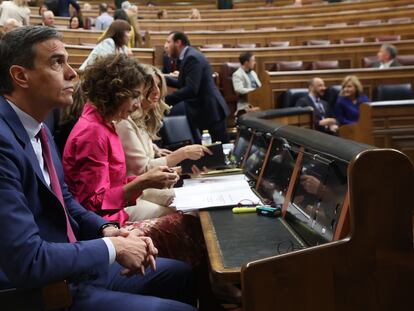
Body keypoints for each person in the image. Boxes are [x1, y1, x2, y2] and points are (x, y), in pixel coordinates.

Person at [0, 25, 196, 311]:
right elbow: (28, 260)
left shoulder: (40, 128)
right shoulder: (4, 142)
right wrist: (112, 248)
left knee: (180, 275)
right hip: (47, 289)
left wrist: (108, 231)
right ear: (20, 76)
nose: (72, 73)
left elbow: (66, 201)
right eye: (57, 62)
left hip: (72, 265)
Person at [64, 54, 181, 225]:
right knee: (179, 219)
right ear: (115, 93)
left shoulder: (105, 124)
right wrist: (143, 182)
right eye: (134, 96)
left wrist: (149, 179)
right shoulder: (92, 132)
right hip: (102, 223)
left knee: (181, 206)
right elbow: (92, 205)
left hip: (113, 211)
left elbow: (113, 185)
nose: (138, 104)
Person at [115, 65, 211, 218]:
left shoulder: (142, 119)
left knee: (197, 205)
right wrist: (182, 154)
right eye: (150, 86)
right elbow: (143, 170)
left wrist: (180, 168)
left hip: (144, 188)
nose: (156, 92)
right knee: (185, 214)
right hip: (133, 193)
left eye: (159, 86)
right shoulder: (124, 122)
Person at [164, 31, 230, 143]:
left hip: (211, 112)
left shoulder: (191, 58)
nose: (165, 46)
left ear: (178, 43)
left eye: (168, 42)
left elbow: (191, 89)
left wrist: (165, 100)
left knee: (218, 151)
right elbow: (182, 83)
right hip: (206, 111)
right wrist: (162, 79)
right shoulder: (189, 55)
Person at [232, 51, 262, 116]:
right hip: (246, 103)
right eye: (253, 61)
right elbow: (238, 90)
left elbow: (260, 86)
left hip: (259, 100)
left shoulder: (253, 73)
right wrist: (254, 91)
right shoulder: (237, 74)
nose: (254, 63)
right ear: (246, 62)